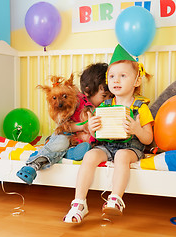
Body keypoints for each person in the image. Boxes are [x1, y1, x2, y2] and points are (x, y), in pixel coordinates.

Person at [63, 44, 154, 223]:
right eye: (112, 76)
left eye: (122, 76)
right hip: (107, 145)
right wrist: (92, 127)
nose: (116, 81)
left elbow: (149, 138)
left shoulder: (140, 107)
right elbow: (97, 135)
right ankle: (79, 202)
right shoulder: (105, 106)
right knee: (90, 155)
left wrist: (136, 129)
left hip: (130, 148)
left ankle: (116, 199)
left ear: (136, 81)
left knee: (121, 156)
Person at [16, 63, 112, 185]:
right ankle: (34, 165)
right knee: (61, 142)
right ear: (87, 91)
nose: (107, 100)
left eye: (110, 96)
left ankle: (69, 154)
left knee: (90, 148)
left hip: (78, 141)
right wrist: (82, 126)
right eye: (104, 96)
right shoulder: (75, 103)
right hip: (65, 134)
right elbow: (64, 127)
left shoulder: (104, 108)